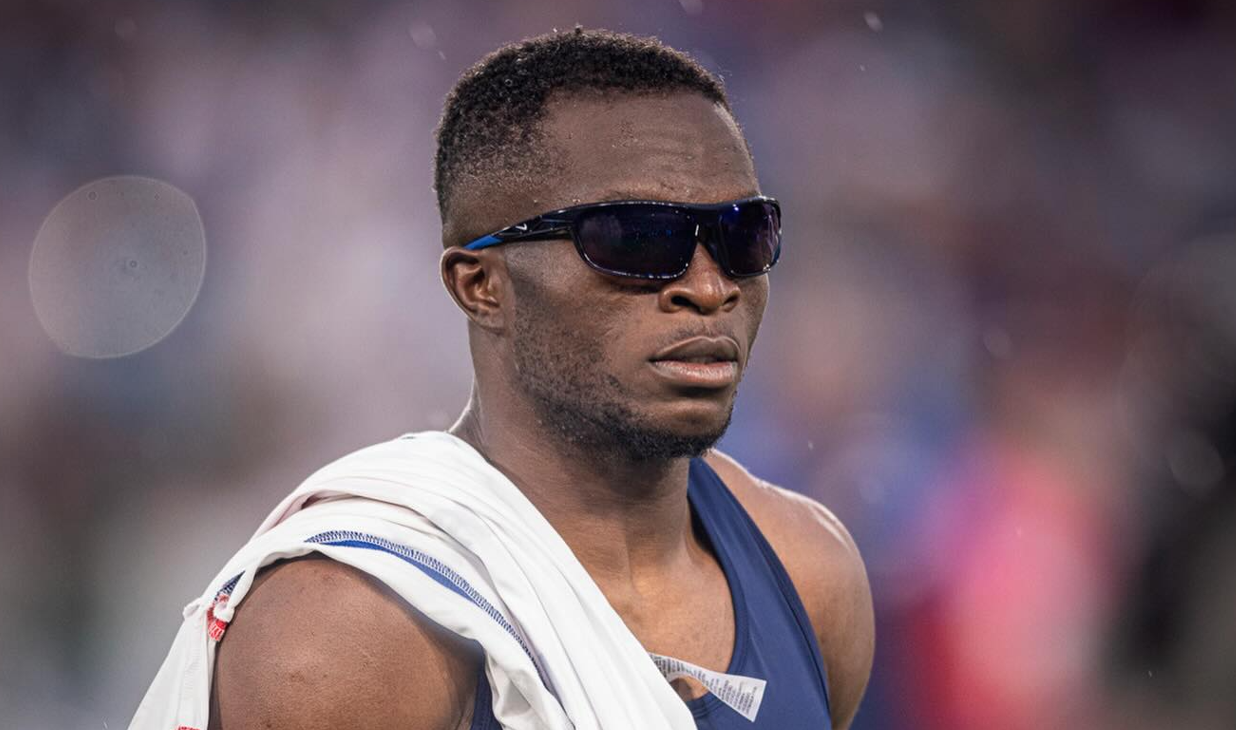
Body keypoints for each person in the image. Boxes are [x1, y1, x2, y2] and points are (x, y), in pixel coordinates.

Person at [137, 28, 873, 730]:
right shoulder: (344, 634)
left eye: (744, 235)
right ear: (481, 285)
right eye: (639, 239)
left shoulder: (810, 572)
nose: (710, 288)